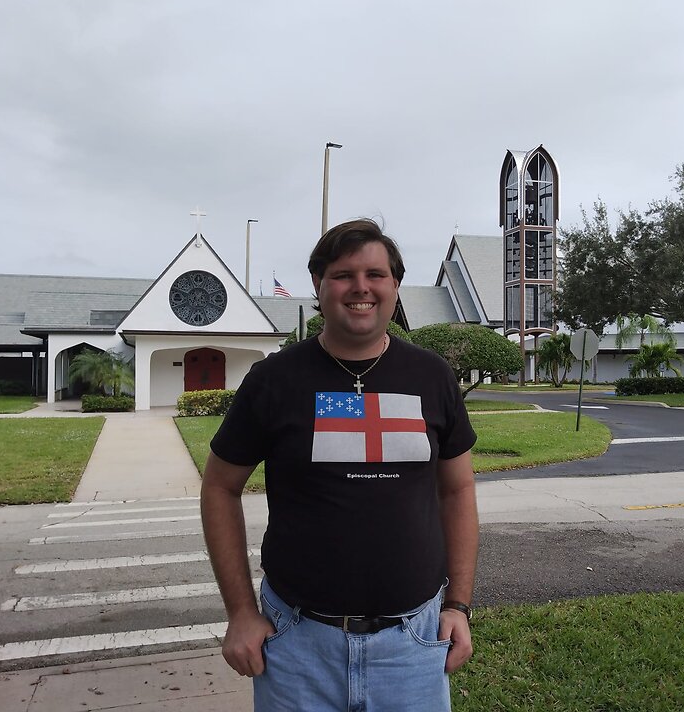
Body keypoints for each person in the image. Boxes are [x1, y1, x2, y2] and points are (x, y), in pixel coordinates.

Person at [200, 218, 479, 711]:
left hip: (412, 645)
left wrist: (457, 604)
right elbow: (220, 488)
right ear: (318, 284)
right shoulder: (274, 380)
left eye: (376, 274)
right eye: (344, 274)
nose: (361, 287)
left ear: (395, 285)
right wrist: (241, 611)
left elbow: (457, 492)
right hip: (296, 646)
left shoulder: (431, 375)